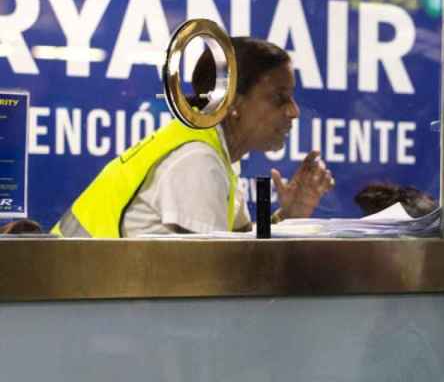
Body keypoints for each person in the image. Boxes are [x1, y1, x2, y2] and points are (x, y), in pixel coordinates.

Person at [52, 37, 334, 237]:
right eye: (279, 98)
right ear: (233, 103)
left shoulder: (218, 153)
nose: (293, 111)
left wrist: (290, 214)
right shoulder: (198, 161)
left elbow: (245, 247)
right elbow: (220, 283)